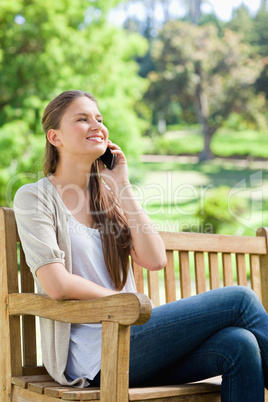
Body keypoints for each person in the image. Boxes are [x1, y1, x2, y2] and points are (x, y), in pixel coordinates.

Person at [14, 90, 268, 402]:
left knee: (240, 344)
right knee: (240, 299)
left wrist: (121, 185)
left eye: (99, 119)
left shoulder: (110, 198)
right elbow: (57, 283)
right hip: (96, 355)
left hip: (135, 340)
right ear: (55, 137)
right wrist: (125, 304)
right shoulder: (35, 197)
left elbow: (155, 259)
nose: (96, 125)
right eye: (82, 119)